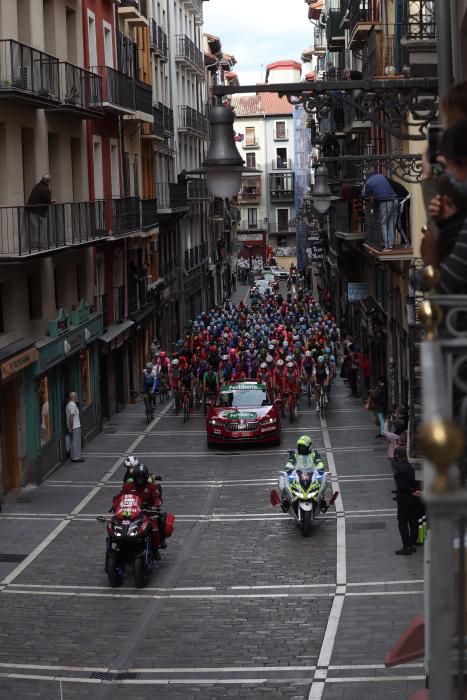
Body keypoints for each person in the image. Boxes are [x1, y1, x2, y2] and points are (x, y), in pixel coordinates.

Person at [115, 464, 167, 559]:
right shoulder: (127, 486)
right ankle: (121, 544)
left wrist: (155, 506)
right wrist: (115, 506)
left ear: (146, 477)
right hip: (130, 512)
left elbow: (157, 498)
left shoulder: (151, 487)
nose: (140, 480)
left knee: (154, 527)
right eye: (138, 477)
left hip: (146, 513)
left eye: (142, 478)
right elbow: (119, 497)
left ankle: (155, 548)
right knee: (117, 524)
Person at [393, 447, 422, 555]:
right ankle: (412, 544)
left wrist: (410, 491)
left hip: (405, 498)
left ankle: (406, 546)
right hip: (416, 497)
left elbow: (402, 486)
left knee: (402, 522)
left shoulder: (399, 468)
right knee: (413, 521)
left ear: (396, 455)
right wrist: (416, 491)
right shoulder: (412, 466)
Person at [362, 170, 398, 249]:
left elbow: (364, 195)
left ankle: (387, 245)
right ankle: (391, 243)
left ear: (366, 175)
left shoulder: (368, 182)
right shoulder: (381, 176)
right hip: (395, 200)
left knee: (384, 224)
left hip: (386, 201)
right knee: (391, 223)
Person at [25, 174, 53, 250]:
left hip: (31, 210)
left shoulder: (37, 186)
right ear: (48, 182)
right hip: (38, 211)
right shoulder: (45, 189)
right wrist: (51, 201)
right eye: (50, 181)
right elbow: (47, 200)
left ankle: (35, 244)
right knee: (39, 228)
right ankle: (39, 245)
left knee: (35, 228)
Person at [65, 391, 84, 463]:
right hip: (75, 427)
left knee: (74, 442)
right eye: (76, 396)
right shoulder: (72, 405)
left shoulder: (69, 405)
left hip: (74, 427)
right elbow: (71, 417)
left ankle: (74, 456)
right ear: (73, 397)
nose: (77, 397)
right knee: (76, 442)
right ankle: (76, 457)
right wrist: (71, 428)